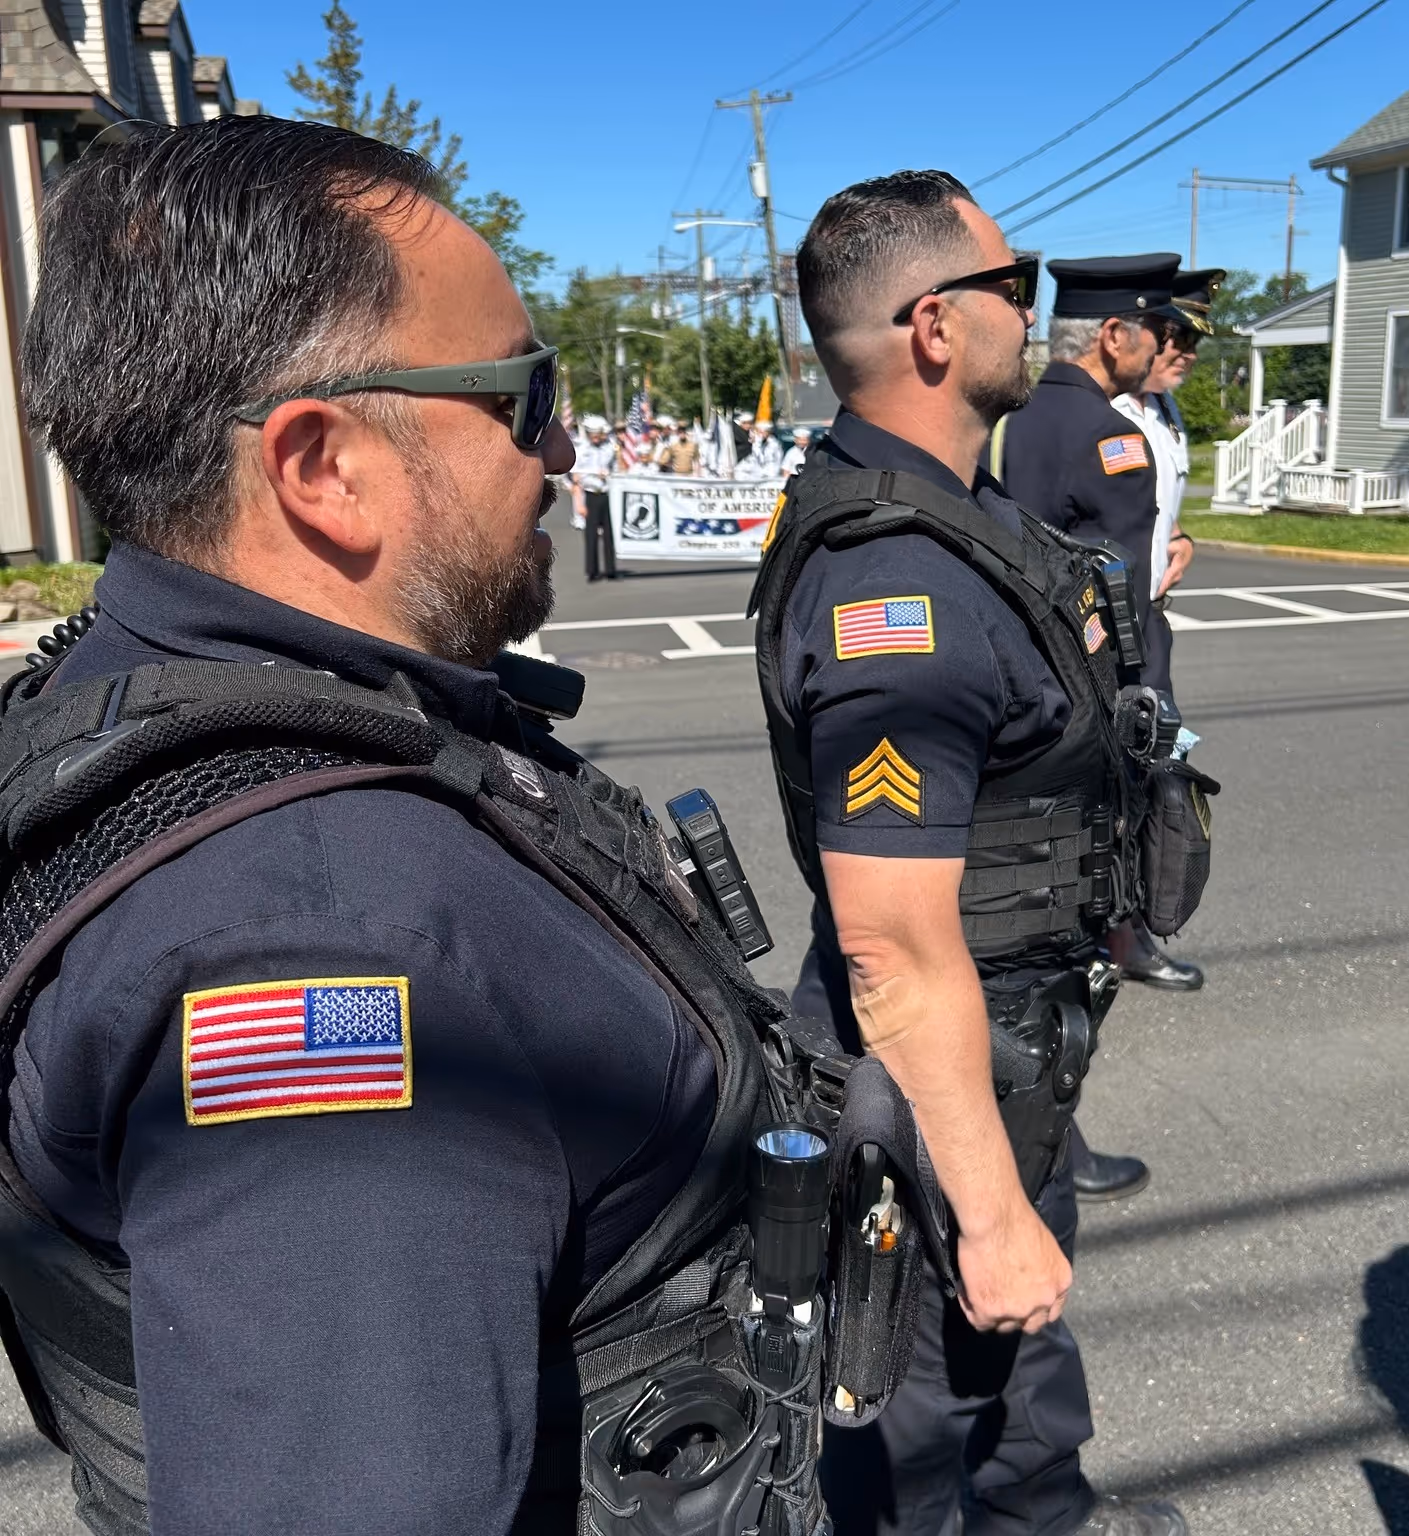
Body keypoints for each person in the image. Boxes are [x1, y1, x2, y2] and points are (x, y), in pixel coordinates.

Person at [0, 114, 833, 1535]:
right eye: (528, 393)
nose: (566, 447)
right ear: (322, 467)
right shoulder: (319, 942)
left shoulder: (162, 699)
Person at [751, 170, 1187, 1536]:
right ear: (936, 325)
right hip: (942, 1081)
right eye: (1015, 287)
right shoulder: (901, 585)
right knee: (926, 1431)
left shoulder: (961, 515)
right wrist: (989, 1212)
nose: (1035, 313)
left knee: (1019, 1393)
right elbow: (889, 937)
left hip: (1010, 1052)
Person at [994, 257, 1203, 1112]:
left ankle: (1125, 936)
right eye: (1156, 329)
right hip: (1099, 668)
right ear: (1114, 334)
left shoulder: (1075, 414)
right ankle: (1094, 966)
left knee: (1141, 806)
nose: (1162, 347)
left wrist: (1164, 557)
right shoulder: (1063, 419)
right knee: (1108, 825)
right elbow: (1044, 552)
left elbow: (1110, 537)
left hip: (1128, 649)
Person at [1110, 269, 1225, 696]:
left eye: (1196, 343)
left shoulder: (1164, 406)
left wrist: (1179, 536)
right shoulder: (1103, 408)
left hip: (1152, 615)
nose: (1189, 355)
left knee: (1160, 744)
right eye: (1181, 340)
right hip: (1107, 625)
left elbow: (1159, 497)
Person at [573, 414, 619, 580]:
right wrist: (579, 504)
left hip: (607, 494)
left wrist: (609, 474)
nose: (597, 438)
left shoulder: (610, 447)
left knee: (609, 535)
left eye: (599, 435)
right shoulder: (582, 449)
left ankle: (610, 569)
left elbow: (616, 469)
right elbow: (576, 478)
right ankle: (592, 571)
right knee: (591, 534)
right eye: (594, 435)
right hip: (591, 494)